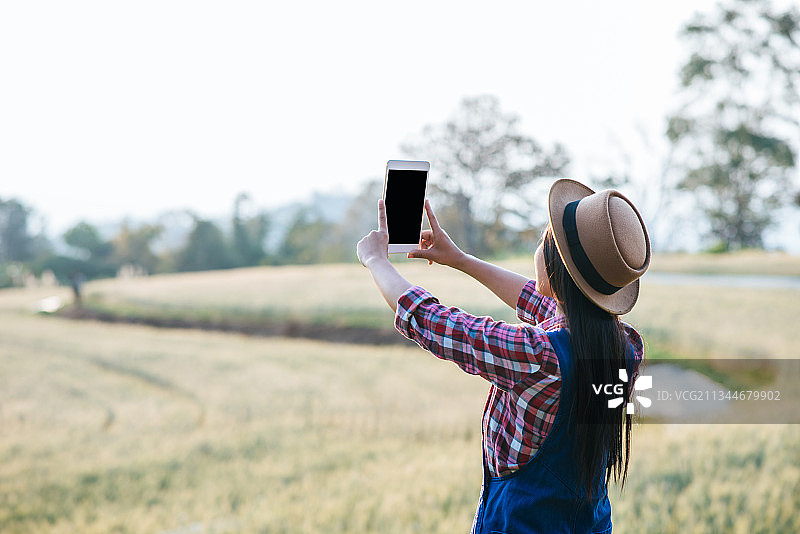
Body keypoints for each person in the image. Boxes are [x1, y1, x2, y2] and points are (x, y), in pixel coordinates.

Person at [356, 178, 650, 533]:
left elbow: (434, 321)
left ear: (558, 268)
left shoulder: (537, 356)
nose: (538, 248)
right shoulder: (626, 347)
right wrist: (460, 259)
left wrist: (376, 260)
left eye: (545, 240)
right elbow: (541, 302)